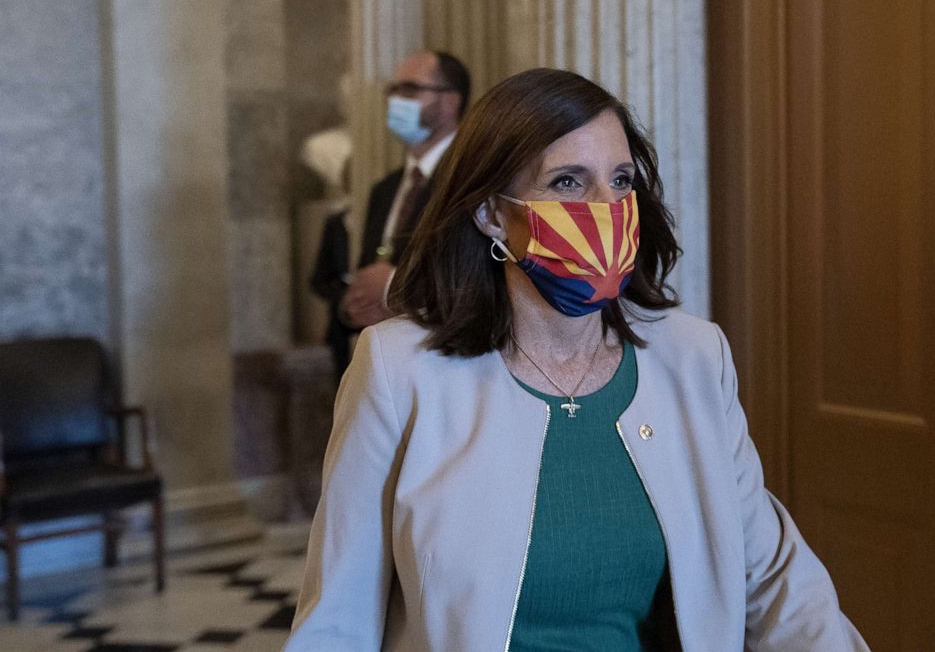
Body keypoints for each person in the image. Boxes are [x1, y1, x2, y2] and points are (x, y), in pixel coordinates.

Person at [285, 69, 868, 651]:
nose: (607, 208)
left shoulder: (694, 357)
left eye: (621, 181)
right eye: (568, 182)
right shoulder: (399, 370)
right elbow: (338, 616)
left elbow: (774, 580)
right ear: (492, 215)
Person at [329, 50, 470, 367]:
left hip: (442, 365)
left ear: (451, 101)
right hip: (381, 365)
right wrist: (351, 307)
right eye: (393, 91)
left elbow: (476, 276)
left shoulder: (470, 178)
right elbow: (367, 272)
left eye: (410, 89)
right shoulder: (385, 189)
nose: (396, 100)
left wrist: (394, 287)